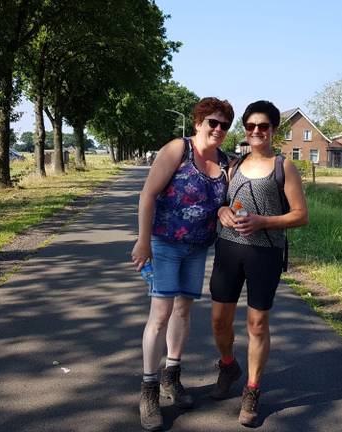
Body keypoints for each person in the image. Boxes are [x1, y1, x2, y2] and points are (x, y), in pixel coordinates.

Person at [131, 97, 234, 431]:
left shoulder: (226, 164)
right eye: (212, 123)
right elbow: (148, 195)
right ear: (198, 123)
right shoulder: (179, 149)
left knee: (183, 312)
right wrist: (143, 240)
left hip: (197, 248)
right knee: (160, 314)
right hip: (164, 243)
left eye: (224, 125)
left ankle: (171, 377)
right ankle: (148, 391)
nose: (218, 129)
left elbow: (231, 202)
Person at [209, 100, 309, 427]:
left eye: (262, 126)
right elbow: (222, 204)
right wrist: (222, 212)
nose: (255, 132)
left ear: (273, 130)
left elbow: (300, 216)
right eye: (250, 126)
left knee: (257, 324)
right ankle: (228, 365)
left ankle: (252, 389)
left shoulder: (284, 167)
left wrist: (263, 221)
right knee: (219, 321)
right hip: (228, 250)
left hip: (264, 253)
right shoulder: (234, 165)